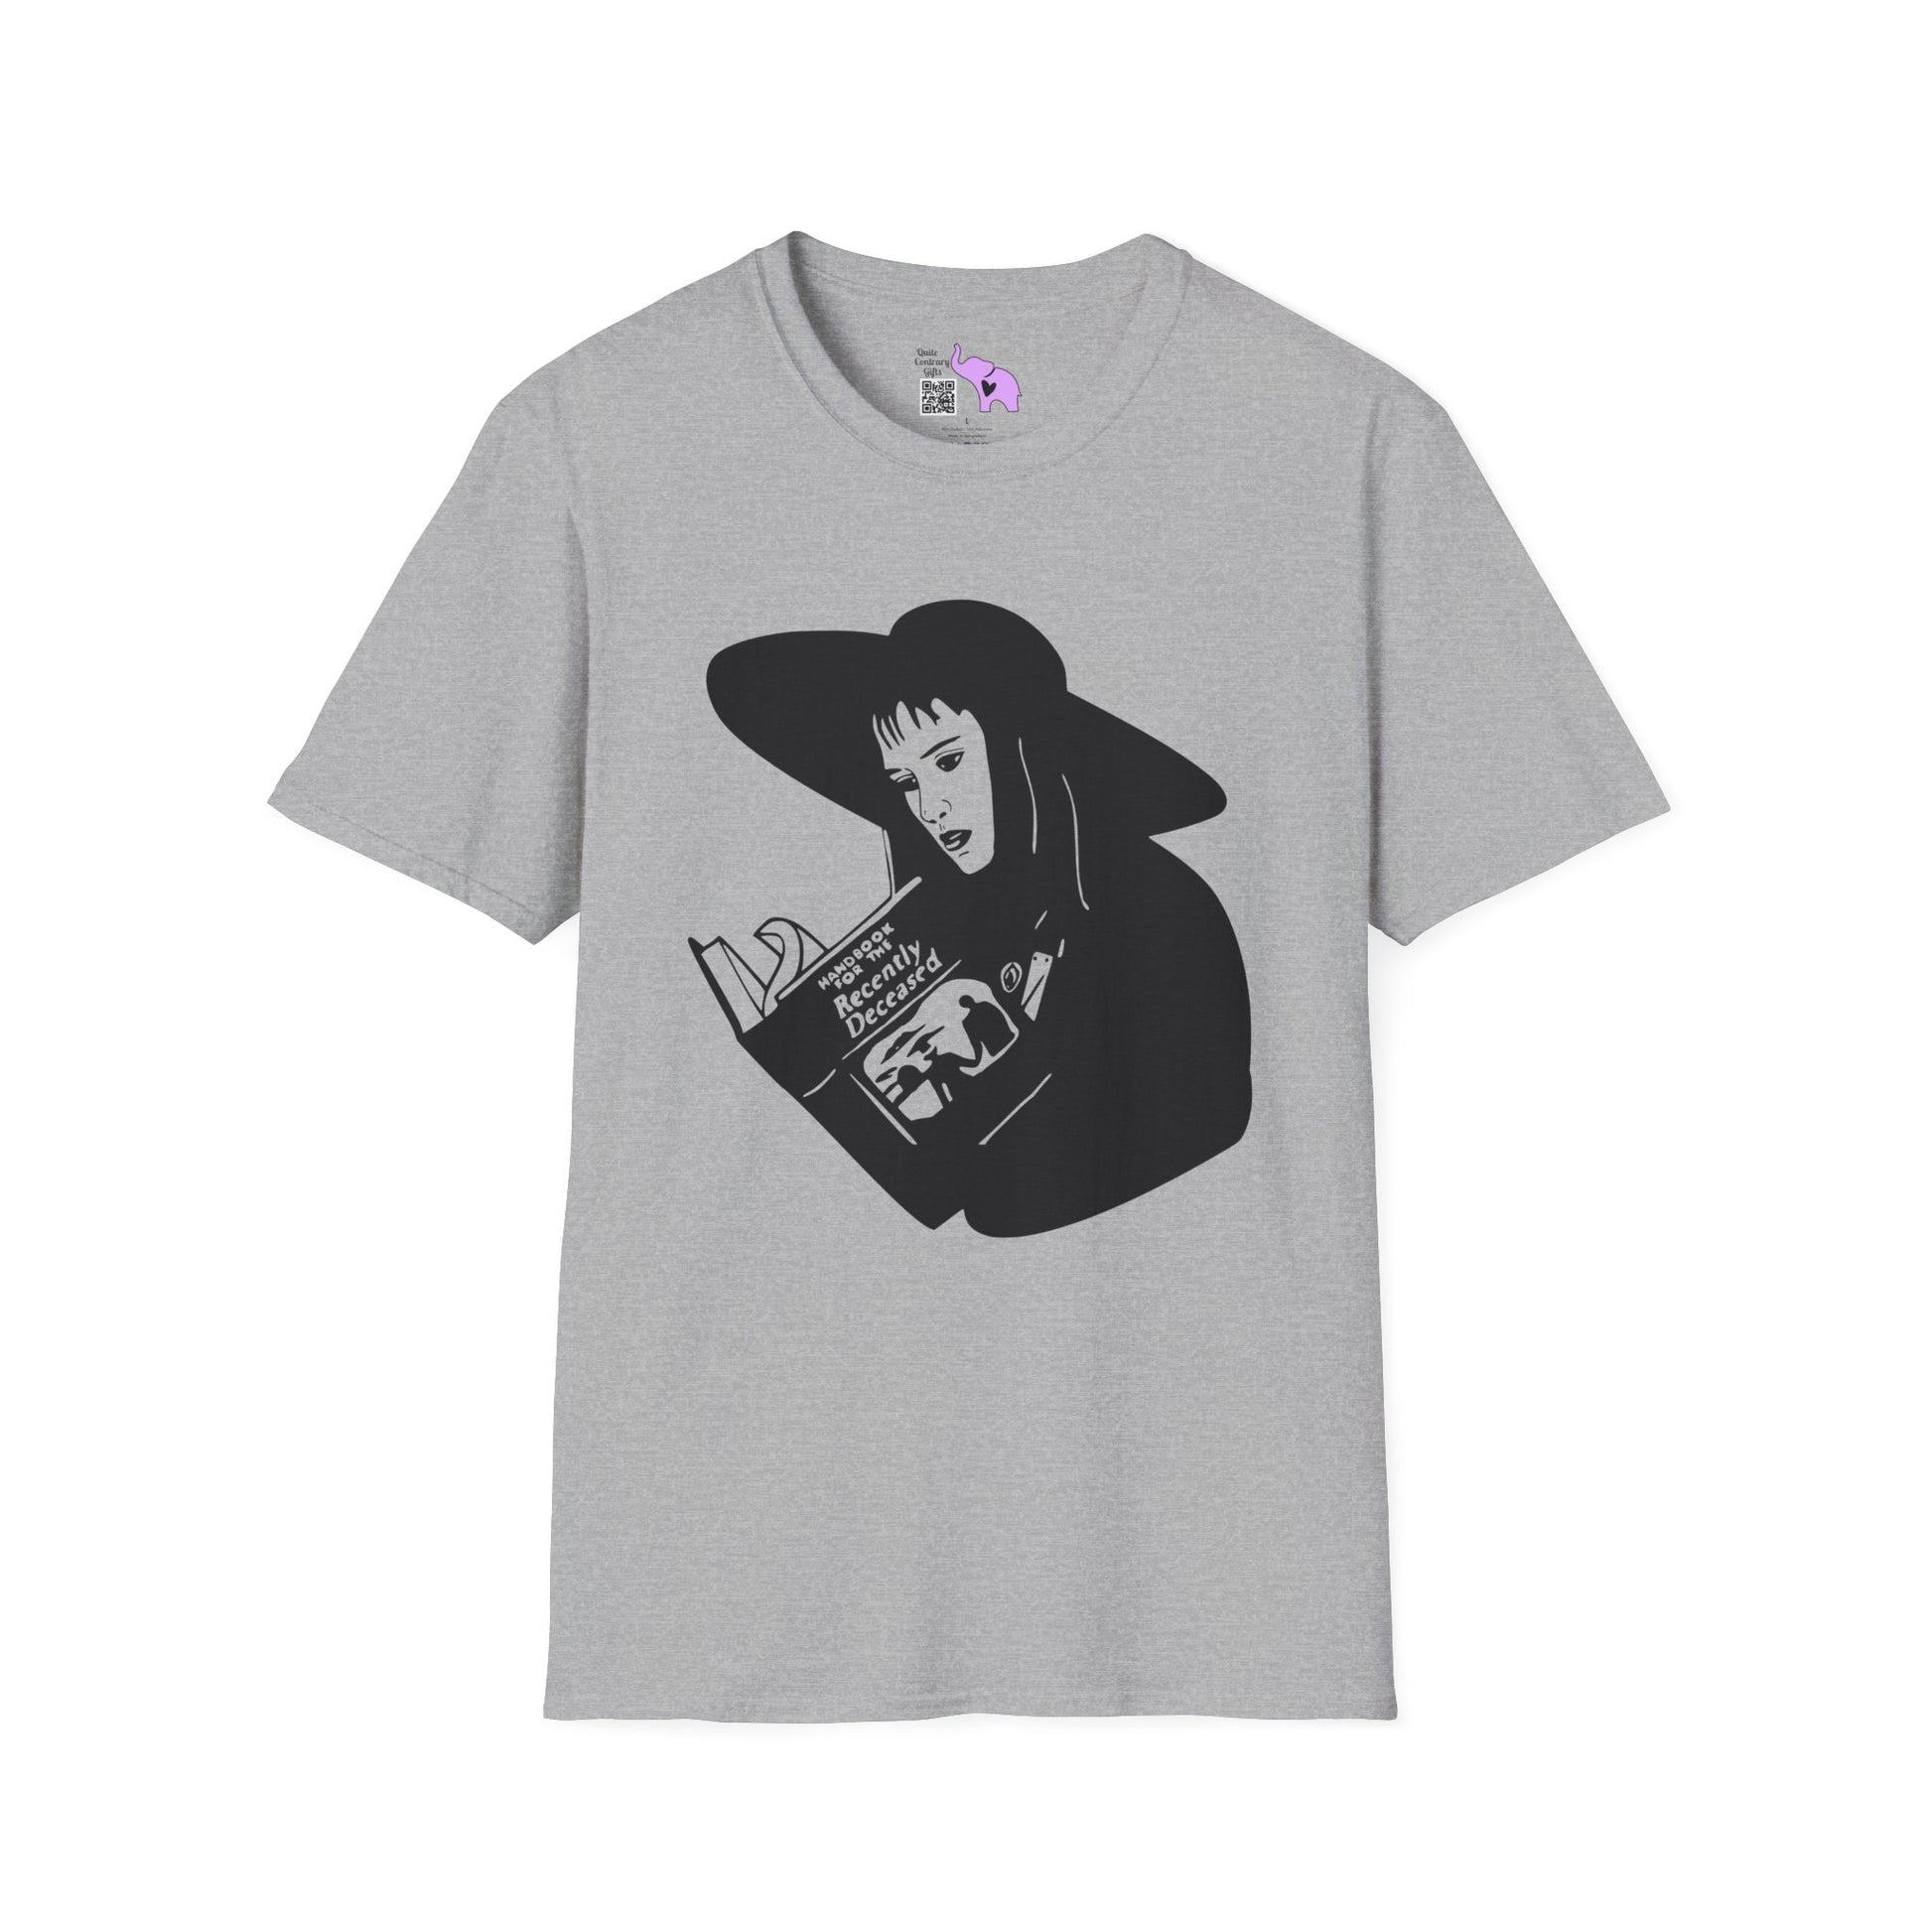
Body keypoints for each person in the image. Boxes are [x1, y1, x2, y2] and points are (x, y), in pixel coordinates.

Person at [704, 600, 1252, 1236]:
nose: (928, 808)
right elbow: (948, 1175)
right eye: (906, 782)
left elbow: (1011, 1186)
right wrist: (818, 1044)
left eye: (948, 762)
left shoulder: (1154, 903)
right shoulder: (989, 921)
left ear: (1026, 748)